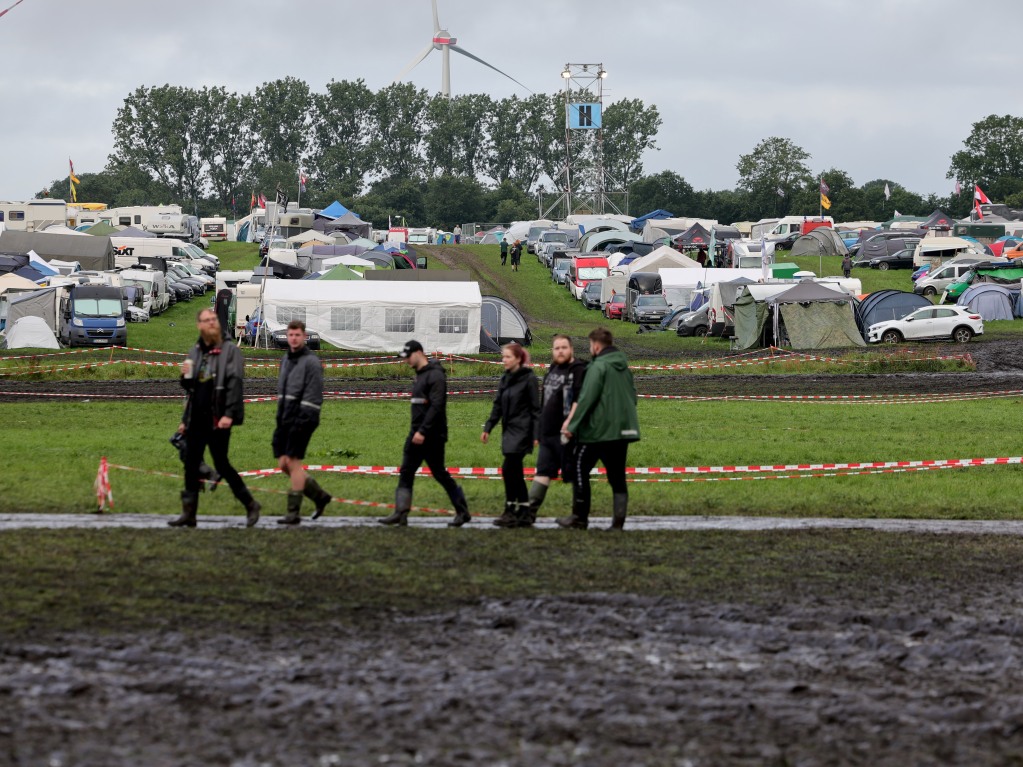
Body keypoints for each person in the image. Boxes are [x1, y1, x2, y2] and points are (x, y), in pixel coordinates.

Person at [170, 308, 261, 528]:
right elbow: (190, 388)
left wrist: (229, 414)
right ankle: (189, 514)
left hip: (218, 417)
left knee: (221, 463)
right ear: (199, 325)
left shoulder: (230, 351)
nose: (211, 323)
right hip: (196, 418)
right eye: (206, 320)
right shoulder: (196, 351)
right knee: (191, 464)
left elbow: (234, 384)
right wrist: (184, 377)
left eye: (213, 320)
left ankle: (250, 504)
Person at [378, 340, 471, 527]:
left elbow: (437, 407)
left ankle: (463, 511)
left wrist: (422, 431)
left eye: (408, 357)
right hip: (416, 433)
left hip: (432, 435)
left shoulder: (436, 376)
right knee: (406, 471)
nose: (406, 362)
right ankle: (401, 513)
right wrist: (416, 431)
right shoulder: (419, 375)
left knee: (439, 473)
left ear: (419, 353)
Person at [558, 327, 640, 531]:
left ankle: (579, 517)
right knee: (617, 477)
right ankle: (618, 523)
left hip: (598, 433)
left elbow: (587, 398)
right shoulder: (624, 367)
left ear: (595, 345)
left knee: (579, 468)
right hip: (623, 432)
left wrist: (572, 426)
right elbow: (634, 398)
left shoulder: (598, 366)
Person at [503, 334, 587, 528]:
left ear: (571, 349)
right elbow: (544, 400)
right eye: (556, 348)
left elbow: (579, 400)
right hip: (548, 432)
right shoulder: (552, 369)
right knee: (543, 471)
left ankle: (578, 515)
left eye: (564, 347)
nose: (560, 351)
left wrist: (571, 424)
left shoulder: (578, 370)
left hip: (568, 434)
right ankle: (529, 513)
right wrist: (538, 428)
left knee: (574, 473)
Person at [272, 320, 333, 525]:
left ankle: (293, 512)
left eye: (298, 335)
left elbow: (314, 395)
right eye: (291, 335)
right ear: (287, 336)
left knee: (293, 462)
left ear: (304, 337)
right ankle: (320, 496)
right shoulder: (286, 360)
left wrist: (303, 418)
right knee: (283, 464)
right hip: (285, 417)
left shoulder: (312, 362)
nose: (294, 338)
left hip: (304, 417)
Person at [482, 343, 540, 526]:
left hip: (523, 431)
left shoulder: (529, 379)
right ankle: (522, 511)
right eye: (503, 357)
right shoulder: (505, 378)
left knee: (509, 469)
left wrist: (536, 434)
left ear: (518, 359)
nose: (504, 360)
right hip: (509, 431)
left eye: (507, 357)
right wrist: (488, 428)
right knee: (514, 472)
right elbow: (498, 405)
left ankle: (511, 510)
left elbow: (535, 409)